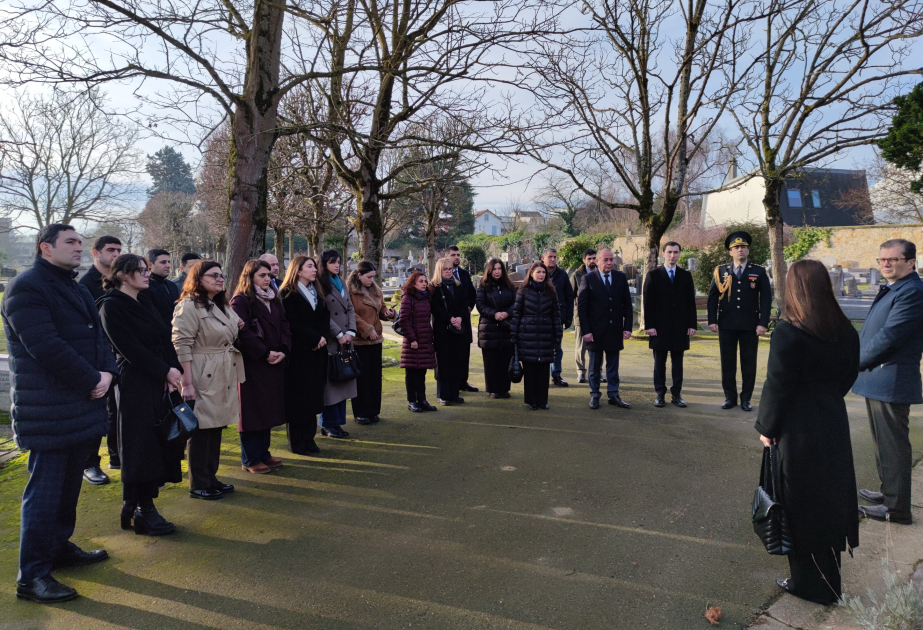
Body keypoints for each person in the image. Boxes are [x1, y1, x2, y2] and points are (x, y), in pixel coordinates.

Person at [2, 223, 118, 603]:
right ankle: (32, 576)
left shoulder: (72, 284)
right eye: (70, 242)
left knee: (68, 489)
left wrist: (107, 374)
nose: (79, 249)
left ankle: (58, 549)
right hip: (49, 408)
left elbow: (99, 337)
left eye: (81, 243)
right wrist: (91, 379)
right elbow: (44, 346)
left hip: (81, 405)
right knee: (45, 493)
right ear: (45, 248)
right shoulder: (27, 287)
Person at [755, 259, 861, 606]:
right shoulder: (844, 328)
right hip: (831, 420)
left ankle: (809, 584)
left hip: (796, 428)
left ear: (793, 289)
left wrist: (766, 427)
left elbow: (778, 384)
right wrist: (826, 399)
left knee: (797, 502)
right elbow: (848, 374)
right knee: (828, 497)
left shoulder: (789, 331)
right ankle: (829, 580)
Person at [98, 254, 184, 536]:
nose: (148, 275)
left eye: (148, 270)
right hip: (135, 383)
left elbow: (163, 338)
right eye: (141, 271)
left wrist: (174, 370)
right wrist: (164, 372)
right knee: (140, 446)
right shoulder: (111, 306)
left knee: (156, 443)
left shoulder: (143, 300)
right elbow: (129, 349)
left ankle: (132, 504)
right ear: (123, 275)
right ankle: (143, 509)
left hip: (158, 379)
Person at [853, 239, 923, 524]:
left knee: (893, 445)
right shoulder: (898, 288)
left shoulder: (913, 292)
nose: (885, 264)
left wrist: (852, 362)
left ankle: (897, 509)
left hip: (891, 378)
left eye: (893, 260)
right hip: (879, 378)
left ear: (911, 263)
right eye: (882, 259)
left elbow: (889, 337)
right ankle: (889, 493)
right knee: (883, 443)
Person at [172, 260, 245, 499]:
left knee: (216, 426)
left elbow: (232, 327)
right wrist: (188, 382)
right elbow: (181, 344)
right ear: (198, 279)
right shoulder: (188, 306)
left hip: (222, 368)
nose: (220, 279)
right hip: (202, 370)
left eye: (221, 275)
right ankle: (198, 483)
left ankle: (210, 477)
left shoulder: (220, 304)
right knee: (201, 428)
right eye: (213, 275)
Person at [230, 260, 291, 474]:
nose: (267, 279)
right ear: (250, 277)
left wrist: (284, 348)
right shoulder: (241, 300)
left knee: (267, 409)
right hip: (253, 363)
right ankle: (250, 458)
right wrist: (264, 353)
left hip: (273, 360)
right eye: (262, 275)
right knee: (252, 410)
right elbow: (242, 331)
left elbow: (284, 324)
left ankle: (263, 453)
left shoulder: (273, 298)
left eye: (269, 275)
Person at [707, 231, 772, 411]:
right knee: (727, 363)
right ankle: (730, 397)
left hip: (750, 326)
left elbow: (766, 299)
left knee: (748, 364)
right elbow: (712, 298)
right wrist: (712, 320)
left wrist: (762, 323)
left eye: (743, 247)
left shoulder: (758, 271)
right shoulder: (721, 271)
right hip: (726, 324)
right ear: (730, 252)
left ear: (748, 250)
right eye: (736, 247)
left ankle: (746, 399)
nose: (740, 250)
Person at [78, 235, 122, 484]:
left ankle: (117, 456)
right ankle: (89, 464)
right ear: (96, 253)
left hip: (121, 354)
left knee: (118, 410)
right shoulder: (86, 284)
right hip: (98, 356)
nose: (115, 254)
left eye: (118, 249)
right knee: (97, 410)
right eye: (110, 250)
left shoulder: (119, 280)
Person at [280, 256, 329, 454]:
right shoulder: (287, 294)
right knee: (299, 399)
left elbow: (325, 316)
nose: (314, 269)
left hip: (318, 352)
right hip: (300, 353)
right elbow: (291, 321)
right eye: (309, 266)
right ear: (297, 270)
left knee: (314, 397)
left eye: (314, 266)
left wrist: (323, 337)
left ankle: (310, 438)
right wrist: (314, 338)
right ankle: (298, 441)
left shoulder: (317, 292)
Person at [642, 241, 697, 408]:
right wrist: (649, 325)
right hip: (659, 328)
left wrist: (691, 324)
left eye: (676, 252)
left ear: (679, 254)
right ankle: (660, 394)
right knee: (660, 363)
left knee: (677, 363)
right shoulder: (653, 275)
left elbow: (690, 302)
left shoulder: (685, 276)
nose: (673, 255)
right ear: (663, 254)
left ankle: (677, 394)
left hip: (680, 327)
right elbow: (648, 303)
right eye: (670, 252)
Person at [578, 248, 632, 410]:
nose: (609, 263)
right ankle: (595, 395)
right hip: (595, 331)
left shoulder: (620, 277)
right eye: (605, 260)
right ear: (597, 261)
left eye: (611, 260)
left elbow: (627, 305)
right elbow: (583, 308)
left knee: (613, 366)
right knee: (594, 367)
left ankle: (613, 394)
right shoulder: (588, 279)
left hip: (614, 329)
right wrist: (586, 331)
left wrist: (627, 327)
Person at [347, 261, 395, 424]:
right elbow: (351, 314)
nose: (371, 280)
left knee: (374, 376)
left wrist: (388, 313)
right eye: (368, 277)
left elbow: (381, 308)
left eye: (374, 277)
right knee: (362, 377)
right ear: (359, 275)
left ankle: (373, 410)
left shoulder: (375, 290)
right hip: (360, 340)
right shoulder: (351, 292)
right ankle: (361, 411)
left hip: (376, 339)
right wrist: (367, 330)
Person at [510, 262, 562, 410]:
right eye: (538, 272)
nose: (541, 275)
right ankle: (531, 400)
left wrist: (558, 333)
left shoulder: (551, 292)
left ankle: (542, 400)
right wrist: (514, 333)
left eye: (543, 272)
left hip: (546, 334)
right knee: (531, 369)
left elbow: (556, 314)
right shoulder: (523, 291)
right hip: (528, 334)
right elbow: (517, 314)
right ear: (531, 273)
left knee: (543, 370)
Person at [318, 249, 357, 438]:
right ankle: (328, 424)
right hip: (332, 339)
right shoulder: (320, 283)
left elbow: (349, 307)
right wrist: (339, 333)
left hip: (346, 339)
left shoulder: (341, 281)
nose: (337, 265)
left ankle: (339, 423)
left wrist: (350, 331)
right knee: (331, 383)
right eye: (332, 262)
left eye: (339, 261)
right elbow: (323, 313)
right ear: (324, 263)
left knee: (344, 381)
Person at [431, 257, 471, 405]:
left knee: (457, 360)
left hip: (458, 328)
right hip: (443, 329)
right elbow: (435, 308)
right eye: (445, 269)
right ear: (439, 271)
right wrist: (450, 319)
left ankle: (454, 393)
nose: (448, 272)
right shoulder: (434, 287)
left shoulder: (458, 285)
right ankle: (443, 395)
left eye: (450, 269)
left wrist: (460, 318)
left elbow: (464, 303)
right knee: (443, 362)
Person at [476, 258, 517, 399]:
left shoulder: (509, 286)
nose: (497, 271)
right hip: (489, 327)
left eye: (499, 268)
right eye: (494, 269)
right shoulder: (483, 286)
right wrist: (494, 314)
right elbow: (480, 305)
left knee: (505, 359)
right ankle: (493, 389)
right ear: (490, 270)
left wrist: (507, 313)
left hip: (506, 327)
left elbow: (515, 303)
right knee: (491, 361)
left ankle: (504, 388)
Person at [399, 271, 437, 412]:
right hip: (413, 342)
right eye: (420, 281)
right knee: (412, 373)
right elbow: (403, 320)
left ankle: (422, 399)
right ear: (413, 283)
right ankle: (411, 401)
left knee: (421, 372)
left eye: (425, 281)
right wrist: (412, 339)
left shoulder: (426, 298)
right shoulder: (408, 298)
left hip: (425, 340)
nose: (424, 284)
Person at [447, 245, 478, 392]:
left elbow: (472, 293)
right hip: (449, 320)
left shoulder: (465, 274)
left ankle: (463, 381)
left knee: (464, 351)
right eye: (453, 255)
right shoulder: (443, 274)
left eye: (458, 255)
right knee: (452, 353)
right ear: (447, 257)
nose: (456, 257)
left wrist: (470, 307)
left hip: (464, 319)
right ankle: (452, 383)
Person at [542, 248, 574, 387]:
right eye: (550, 257)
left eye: (555, 257)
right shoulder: (537, 272)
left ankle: (556, 375)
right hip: (540, 317)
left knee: (557, 348)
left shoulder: (562, 275)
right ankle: (541, 376)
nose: (553, 259)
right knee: (541, 347)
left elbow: (569, 296)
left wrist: (568, 318)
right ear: (543, 258)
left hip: (557, 316)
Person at [570, 248, 597, 384]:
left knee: (598, 346)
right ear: (584, 260)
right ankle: (581, 371)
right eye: (589, 259)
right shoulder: (576, 275)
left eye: (594, 258)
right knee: (581, 346)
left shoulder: (601, 273)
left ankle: (597, 371)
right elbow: (571, 295)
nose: (592, 261)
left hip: (597, 316)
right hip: (581, 315)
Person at [144, 248, 181, 326]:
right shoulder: (145, 286)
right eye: (163, 262)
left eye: (169, 262)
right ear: (150, 265)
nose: (168, 265)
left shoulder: (172, 285)